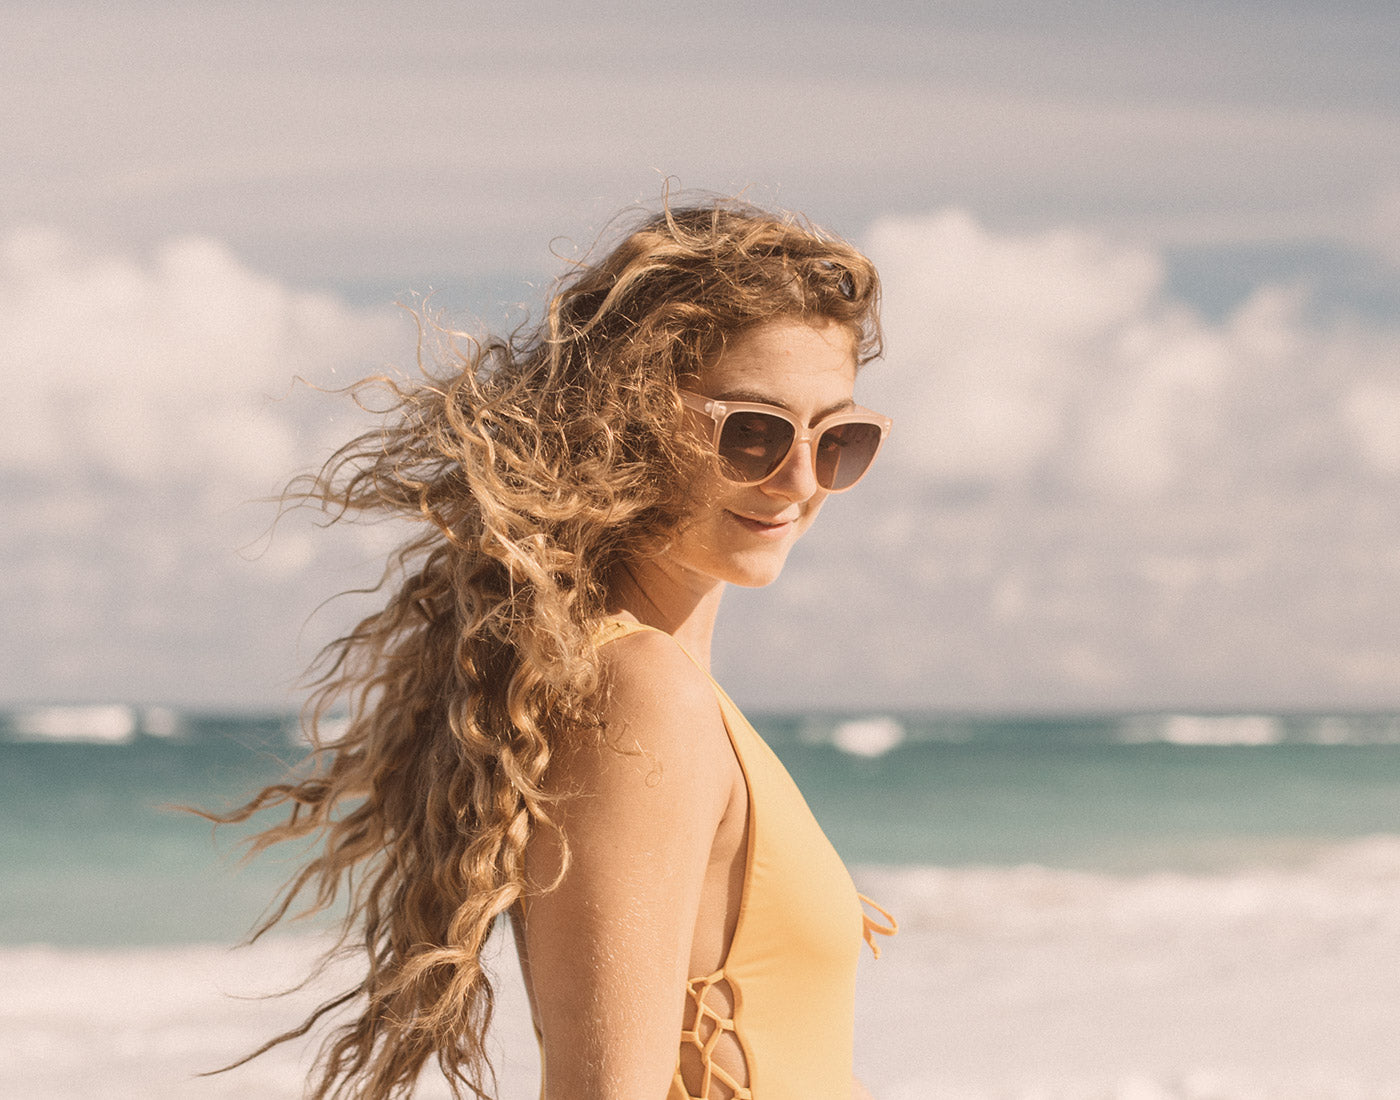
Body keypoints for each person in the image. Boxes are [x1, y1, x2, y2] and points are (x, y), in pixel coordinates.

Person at [211, 197, 896, 1099]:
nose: (801, 481)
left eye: (837, 438)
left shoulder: (661, 685)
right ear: (630, 417)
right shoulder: (642, 691)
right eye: (754, 432)